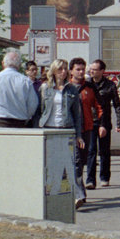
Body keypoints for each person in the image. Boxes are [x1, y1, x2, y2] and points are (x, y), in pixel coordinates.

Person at [36, 59, 86, 206]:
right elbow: (39, 111)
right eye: (60, 69)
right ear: (54, 71)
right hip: (48, 129)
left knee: (70, 163)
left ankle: (78, 196)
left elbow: (77, 114)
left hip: (66, 129)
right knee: (51, 165)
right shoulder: (45, 88)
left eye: (65, 69)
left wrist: (78, 135)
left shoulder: (72, 89)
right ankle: (53, 196)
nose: (63, 72)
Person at [68, 57, 102, 203]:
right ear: (71, 71)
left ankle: (79, 192)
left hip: (86, 129)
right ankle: (79, 194)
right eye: (78, 69)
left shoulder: (89, 87)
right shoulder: (66, 87)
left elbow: (99, 106)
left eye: (83, 69)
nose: (81, 72)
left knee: (80, 162)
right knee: (75, 162)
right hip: (70, 130)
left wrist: (99, 122)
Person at [83, 59, 119, 188]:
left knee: (104, 151)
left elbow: (116, 105)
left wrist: (119, 123)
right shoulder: (86, 85)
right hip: (90, 122)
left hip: (104, 122)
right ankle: (90, 180)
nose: (91, 71)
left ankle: (104, 177)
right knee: (91, 150)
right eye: (91, 69)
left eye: (95, 69)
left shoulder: (110, 85)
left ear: (102, 71)